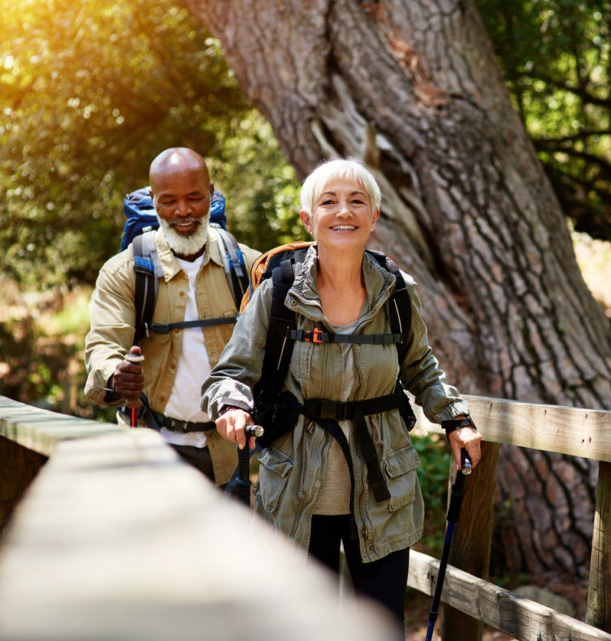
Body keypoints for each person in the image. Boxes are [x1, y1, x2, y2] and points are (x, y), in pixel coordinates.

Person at [202, 158, 482, 624]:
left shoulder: (395, 292)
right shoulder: (281, 292)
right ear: (308, 219)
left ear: (374, 216)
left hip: (382, 490)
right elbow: (230, 372)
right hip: (296, 493)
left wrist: (456, 418)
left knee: (383, 624)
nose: (343, 211)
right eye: (328, 201)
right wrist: (231, 403)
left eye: (357, 201)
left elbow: (420, 367)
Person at [84, 147, 261, 486]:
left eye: (194, 198)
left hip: (232, 453)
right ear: (153, 200)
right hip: (153, 450)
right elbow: (104, 346)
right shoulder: (125, 272)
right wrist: (115, 376)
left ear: (211, 194)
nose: (182, 211)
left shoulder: (246, 265)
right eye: (168, 201)